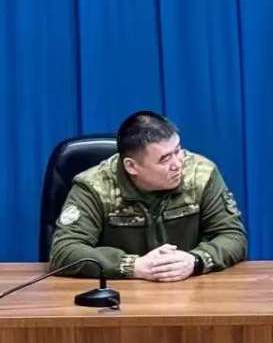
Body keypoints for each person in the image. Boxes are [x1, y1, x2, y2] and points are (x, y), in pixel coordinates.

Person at [49, 111, 247, 280]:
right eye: (165, 158)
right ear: (132, 166)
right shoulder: (94, 186)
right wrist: (134, 266)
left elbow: (233, 236)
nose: (178, 164)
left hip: (190, 291)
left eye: (178, 151)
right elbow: (64, 251)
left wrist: (196, 260)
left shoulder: (201, 174)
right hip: (120, 298)